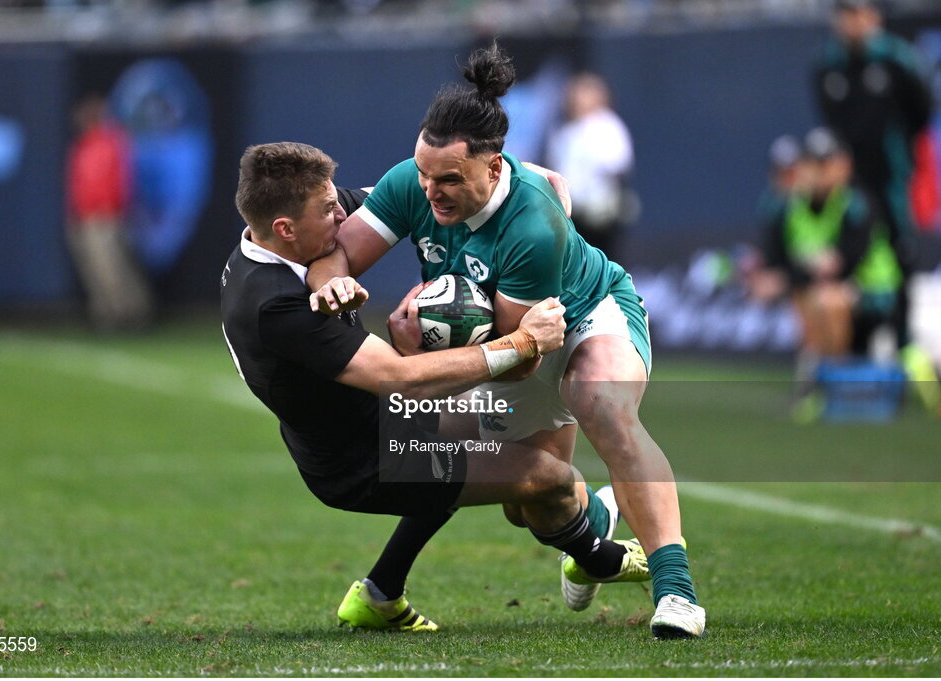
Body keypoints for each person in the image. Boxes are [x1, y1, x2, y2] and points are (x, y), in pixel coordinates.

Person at [306, 43, 705, 639]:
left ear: (494, 169)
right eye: (422, 174)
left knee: (600, 401)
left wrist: (421, 351)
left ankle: (676, 593)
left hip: (585, 318)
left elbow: (522, 360)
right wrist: (334, 284)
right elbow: (334, 252)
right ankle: (595, 530)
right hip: (512, 343)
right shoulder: (412, 183)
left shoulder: (531, 225)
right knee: (533, 498)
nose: (430, 191)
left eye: (448, 179)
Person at [220, 142, 648, 632]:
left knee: (505, 460)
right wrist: (525, 341)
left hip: (378, 416)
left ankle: (380, 594)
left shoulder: (288, 225)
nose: (341, 213)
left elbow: (402, 189)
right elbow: (400, 378)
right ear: (285, 229)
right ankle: (599, 556)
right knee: (547, 477)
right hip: (363, 459)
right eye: (328, 210)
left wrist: (516, 175)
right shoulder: (273, 306)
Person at [814, 0, 937, 408]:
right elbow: (829, 122)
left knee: (898, 263)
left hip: (888, 180)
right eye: (843, 13)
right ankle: (847, 364)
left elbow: (921, 112)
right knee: (847, 263)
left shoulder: (897, 60)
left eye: (857, 12)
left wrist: (894, 148)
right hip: (848, 187)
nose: (849, 22)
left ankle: (904, 355)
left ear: (873, 18)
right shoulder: (828, 65)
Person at [65, 95, 153, 331]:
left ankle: (131, 314)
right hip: (83, 217)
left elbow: (122, 180)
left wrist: (115, 207)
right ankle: (106, 315)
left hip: (106, 216)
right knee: (94, 270)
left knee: (112, 268)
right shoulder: (83, 145)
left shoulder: (111, 142)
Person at [546, 72, 636, 262]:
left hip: (599, 216)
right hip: (570, 214)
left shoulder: (606, 126)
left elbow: (618, 165)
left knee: (602, 265)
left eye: (584, 92)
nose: (576, 98)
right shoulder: (564, 130)